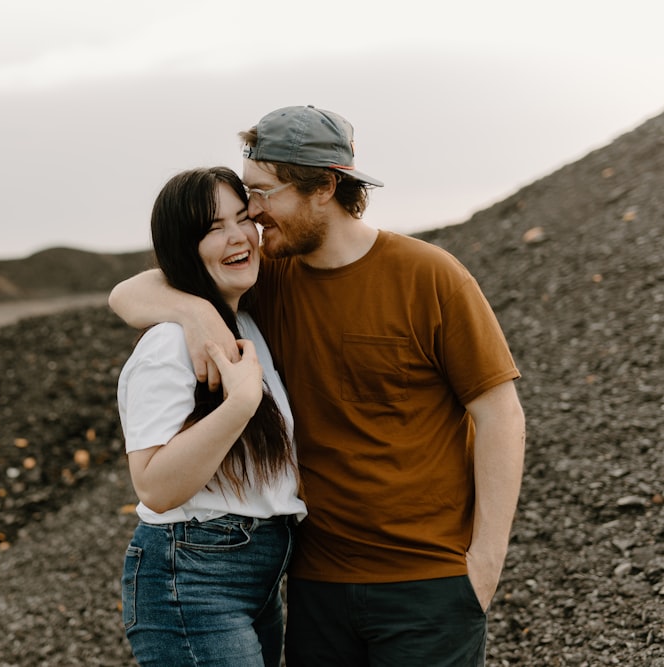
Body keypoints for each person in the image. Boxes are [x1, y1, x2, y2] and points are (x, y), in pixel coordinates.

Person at [109, 106, 526, 666]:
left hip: (428, 579)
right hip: (315, 584)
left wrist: (485, 564)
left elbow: (500, 414)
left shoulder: (430, 276)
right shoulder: (268, 277)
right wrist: (194, 313)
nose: (252, 216)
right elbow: (129, 292)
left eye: (261, 193)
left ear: (324, 186)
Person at [117, 166, 307, 666]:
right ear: (184, 246)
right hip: (194, 577)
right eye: (212, 228)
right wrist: (240, 406)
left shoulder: (244, 320)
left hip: (253, 574)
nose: (237, 236)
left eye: (243, 218)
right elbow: (154, 486)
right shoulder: (168, 345)